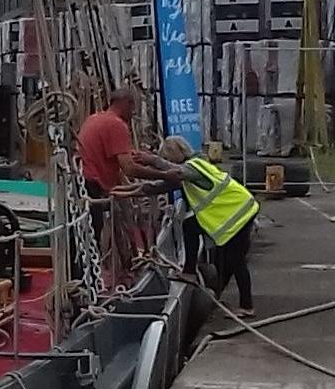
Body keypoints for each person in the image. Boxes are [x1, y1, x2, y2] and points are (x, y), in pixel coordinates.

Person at [147, 135, 258, 313]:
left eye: (167, 157)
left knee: (236, 260)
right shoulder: (195, 164)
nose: (167, 161)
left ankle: (247, 306)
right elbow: (161, 186)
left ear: (177, 153)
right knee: (190, 226)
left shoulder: (193, 167)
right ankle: (191, 271)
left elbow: (176, 173)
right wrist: (130, 190)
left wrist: (152, 161)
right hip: (237, 212)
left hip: (239, 213)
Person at [77, 87, 148, 262]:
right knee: (93, 232)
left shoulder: (94, 118)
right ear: (126, 104)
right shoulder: (116, 125)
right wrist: (162, 174)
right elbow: (129, 168)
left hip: (82, 183)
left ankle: (84, 272)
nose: (134, 112)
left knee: (84, 234)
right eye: (133, 107)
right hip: (92, 185)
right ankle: (89, 279)